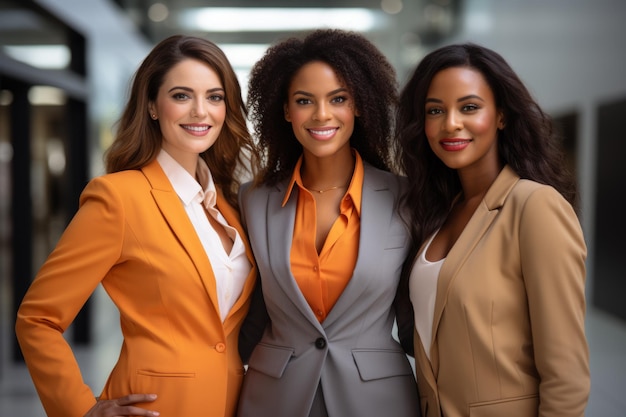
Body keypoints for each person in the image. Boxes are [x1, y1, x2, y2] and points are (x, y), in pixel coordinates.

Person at [15, 34, 260, 417]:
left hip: (234, 402)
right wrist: (81, 410)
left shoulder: (228, 204)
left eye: (214, 97)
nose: (201, 111)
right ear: (152, 106)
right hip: (157, 406)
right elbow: (37, 319)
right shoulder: (117, 198)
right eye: (181, 96)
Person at [396, 43, 590, 417]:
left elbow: (566, 372)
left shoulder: (534, 206)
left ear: (501, 115)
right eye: (435, 110)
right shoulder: (438, 214)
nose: (450, 123)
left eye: (469, 107)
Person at [236, 29, 420, 417]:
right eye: (305, 101)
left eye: (338, 99)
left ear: (359, 106)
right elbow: (250, 313)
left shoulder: (406, 199)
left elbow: (413, 320)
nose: (322, 115)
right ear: (286, 110)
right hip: (275, 399)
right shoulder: (252, 199)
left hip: (376, 401)